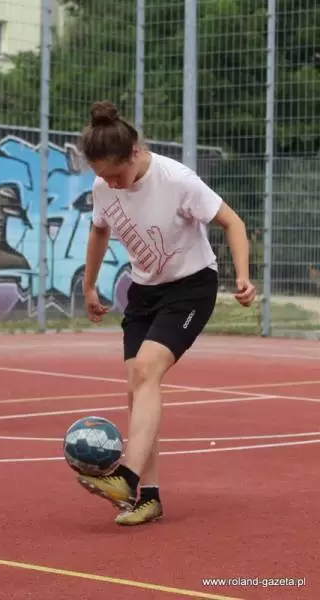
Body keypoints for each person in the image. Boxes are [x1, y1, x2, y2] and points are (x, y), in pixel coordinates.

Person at [76, 100, 256, 526]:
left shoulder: (177, 180)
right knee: (137, 388)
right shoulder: (104, 187)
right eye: (103, 176)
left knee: (146, 371)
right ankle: (149, 497)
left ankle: (125, 478)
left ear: (135, 153)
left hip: (191, 289)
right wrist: (89, 285)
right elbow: (99, 229)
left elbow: (233, 222)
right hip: (144, 293)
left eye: (116, 175)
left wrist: (243, 276)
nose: (111, 184)